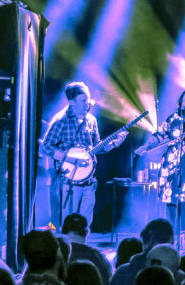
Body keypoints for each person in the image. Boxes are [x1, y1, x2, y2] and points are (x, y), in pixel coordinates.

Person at [41, 81, 127, 226]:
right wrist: (72, 159)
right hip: (68, 182)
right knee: (68, 223)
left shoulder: (91, 120)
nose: (87, 104)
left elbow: (97, 147)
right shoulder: (60, 121)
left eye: (88, 99)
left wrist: (114, 144)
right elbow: (46, 147)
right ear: (72, 101)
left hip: (89, 180)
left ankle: (82, 247)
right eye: (83, 100)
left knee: (85, 223)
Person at [134, 89, 185, 237]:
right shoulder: (174, 119)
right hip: (170, 170)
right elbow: (160, 135)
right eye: (183, 98)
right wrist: (146, 146)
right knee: (170, 207)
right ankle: (172, 242)